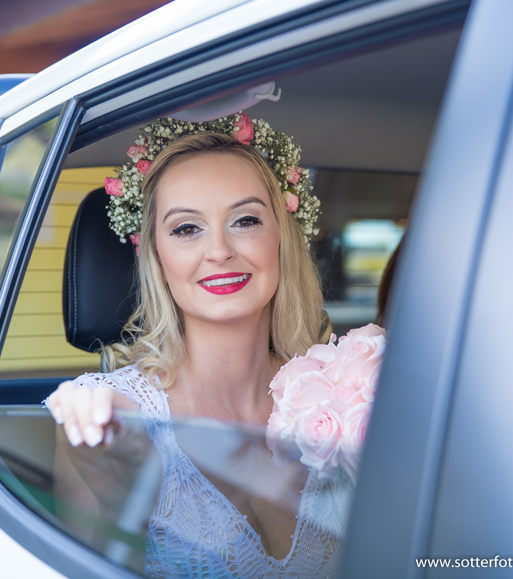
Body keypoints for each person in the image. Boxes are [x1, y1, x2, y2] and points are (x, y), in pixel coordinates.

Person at [46, 118, 347, 578]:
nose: (219, 250)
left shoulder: (346, 392)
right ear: (157, 258)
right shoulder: (108, 417)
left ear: (281, 238)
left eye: (245, 220)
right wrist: (123, 499)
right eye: (187, 228)